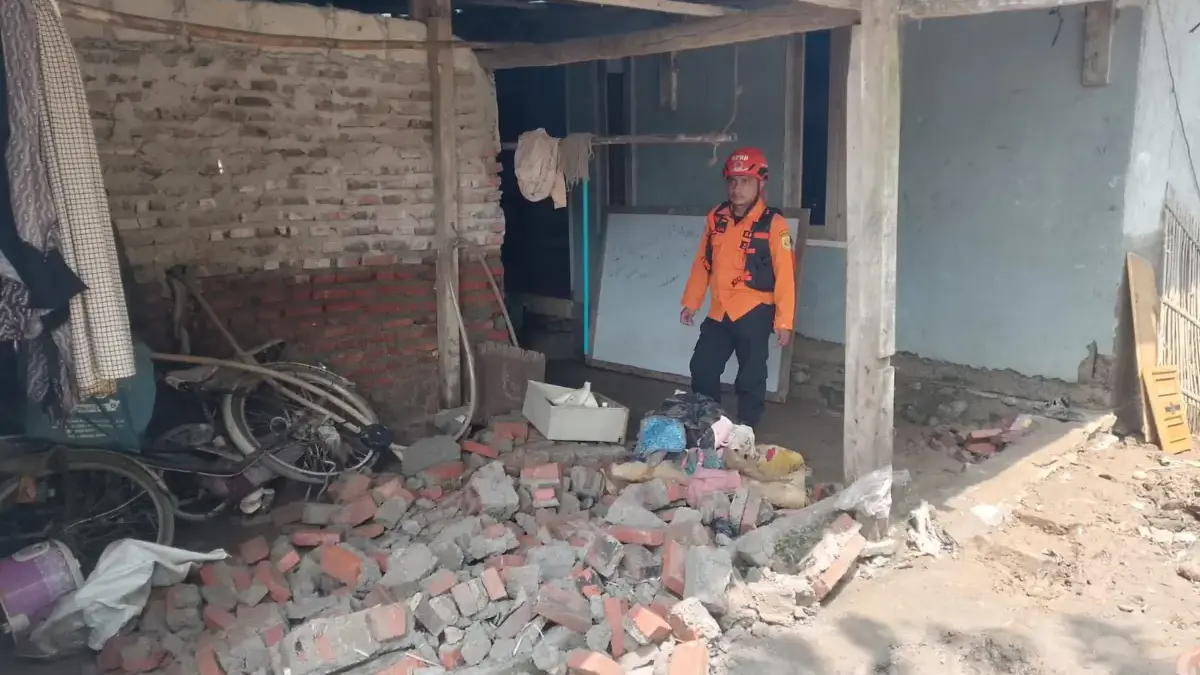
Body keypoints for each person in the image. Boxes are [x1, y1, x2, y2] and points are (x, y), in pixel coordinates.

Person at [680, 147, 796, 430]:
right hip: (719, 310)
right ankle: (710, 422)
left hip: (754, 310)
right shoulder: (717, 217)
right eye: (733, 181)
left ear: (761, 183)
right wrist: (692, 302)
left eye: (745, 181)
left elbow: (785, 275)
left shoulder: (774, 224)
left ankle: (747, 428)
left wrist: (783, 321)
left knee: (751, 376)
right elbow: (703, 262)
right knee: (702, 367)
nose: (737, 188)